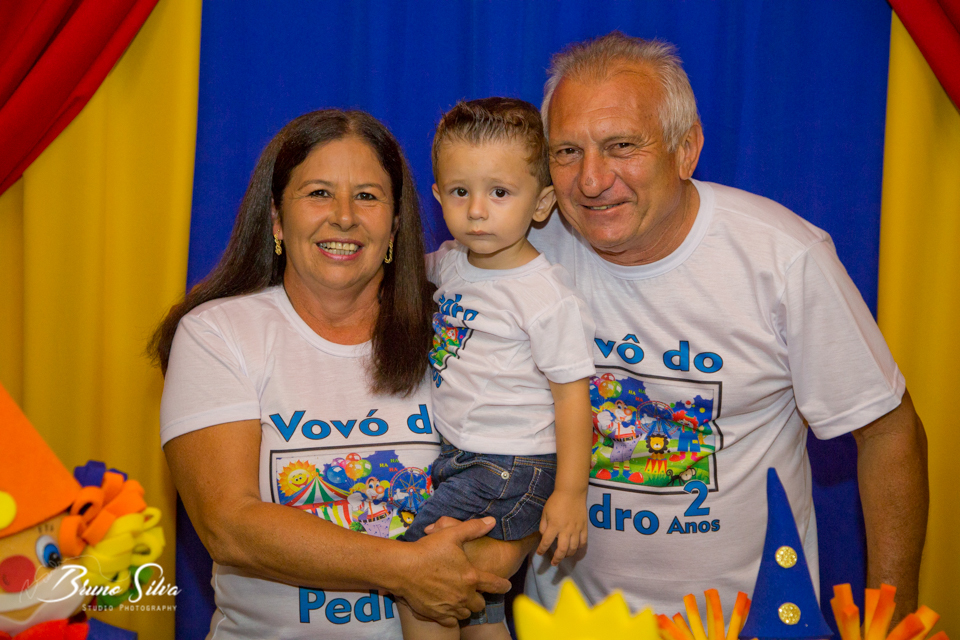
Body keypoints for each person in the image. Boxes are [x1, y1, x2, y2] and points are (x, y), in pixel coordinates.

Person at [523, 32, 928, 623]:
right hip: (567, 623)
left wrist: (893, 621)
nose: (590, 179)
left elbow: (888, 433)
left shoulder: (782, 259)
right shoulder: (520, 250)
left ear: (686, 150)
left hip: (750, 621)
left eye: (622, 146)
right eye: (566, 151)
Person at [151, 109, 519, 639]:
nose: (344, 217)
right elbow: (228, 526)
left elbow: (528, 466)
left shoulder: (459, 330)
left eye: (367, 196)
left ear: (395, 225)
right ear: (277, 219)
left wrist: (481, 564)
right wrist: (405, 569)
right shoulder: (217, 334)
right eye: (319, 193)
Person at [397, 98, 596, 639]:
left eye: (500, 192)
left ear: (542, 203)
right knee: (479, 602)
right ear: (438, 196)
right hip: (462, 457)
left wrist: (570, 493)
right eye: (460, 192)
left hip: (511, 464)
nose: (477, 210)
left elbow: (573, 397)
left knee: (419, 573)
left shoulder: (544, 294)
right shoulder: (449, 263)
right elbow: (394, 279)